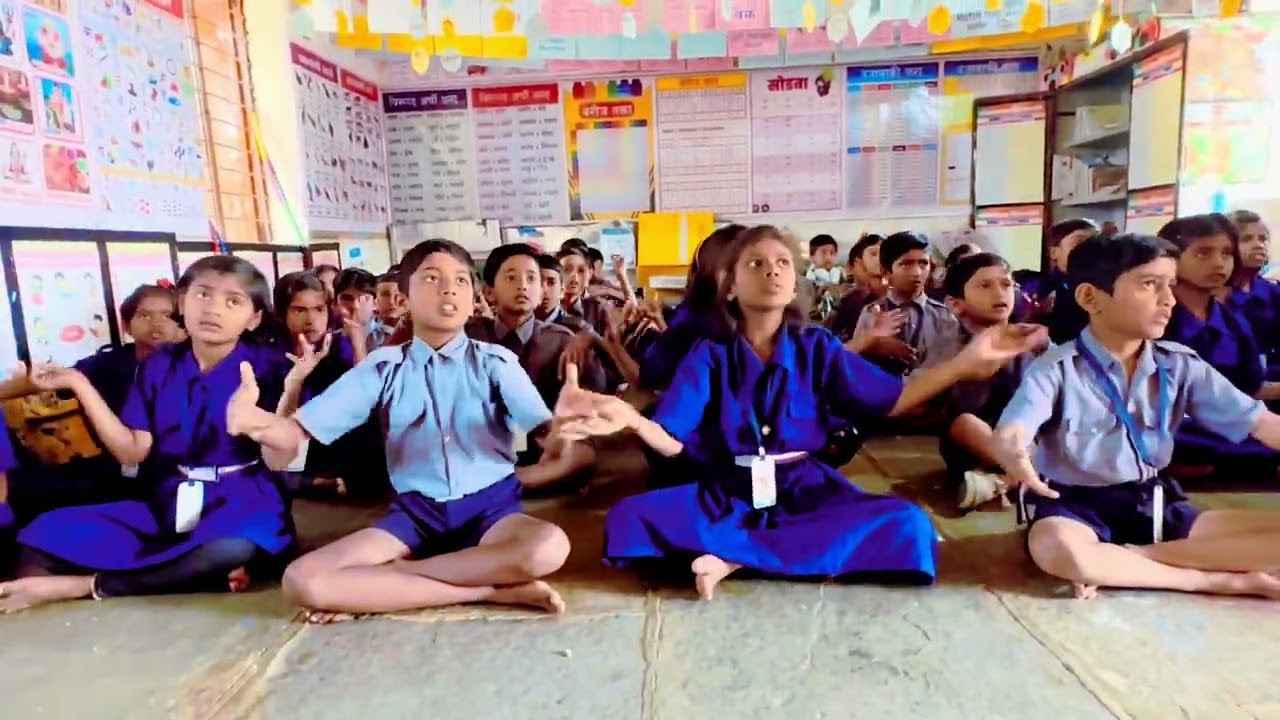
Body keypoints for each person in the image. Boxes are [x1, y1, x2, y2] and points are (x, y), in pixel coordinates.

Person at [556, 226, 1048, 600]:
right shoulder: (709, 352)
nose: (770, 270)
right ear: (729, 286)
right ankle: (759, 552)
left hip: (806, 487)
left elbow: (891, 399)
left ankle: (732, 555)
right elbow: (673, 439)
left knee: (909, 527)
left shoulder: (817, 346)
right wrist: (631, 420)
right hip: (727, 487)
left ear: (794, 284)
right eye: (754, 263)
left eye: (780, 263)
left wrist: (962, 364)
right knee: (627, 519)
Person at [228, 240, 571, 622]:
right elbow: (292, 439)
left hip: (491, 511)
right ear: (404, 297)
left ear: (474, 296)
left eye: (460, 280)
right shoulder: (382, 367)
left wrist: (570, 423)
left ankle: (393, 581)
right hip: (415, 517)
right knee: (302, 581)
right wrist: (255, 422)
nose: (449, 289)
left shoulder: (496, 362)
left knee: (548, 548)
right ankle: (487, 589)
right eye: (432, 278)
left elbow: (549, 438)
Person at [0, 256, 308, 613]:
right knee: (46, 532)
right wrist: (79, 385)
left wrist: (272, 410)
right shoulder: (159, 365)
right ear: (182, 301)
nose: (213, 310)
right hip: (169, 499)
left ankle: (88, 585)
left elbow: (280, 460)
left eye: (233, 301)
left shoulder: (272, 367)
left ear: (254, 317)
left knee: (228, 549)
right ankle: (189, 576)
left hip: (244, 502)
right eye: (202, 294)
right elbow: (133, 452)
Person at [991, 233, 1280, 602]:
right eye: (1150, 285)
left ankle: (1132, 559)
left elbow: (1263, 423)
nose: (1169, 300)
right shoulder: (1056, 368)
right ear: (1090, 298)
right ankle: (1216, 580)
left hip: (1155, 504)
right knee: (1062, 551)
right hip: (1073, 506)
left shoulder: (1180, 364)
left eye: (1171, 285)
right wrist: (1012, 450)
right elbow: (1015, 428)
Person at [1, 284, 179, 520]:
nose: (156, 323)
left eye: (167, 316)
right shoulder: (111, 362)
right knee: (17, 483)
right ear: (127, 326)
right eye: (144, 315)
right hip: (111, 466)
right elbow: (54, 380)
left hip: (162, 472)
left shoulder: (186, 367)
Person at [467, 244, 605, 492]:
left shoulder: (563, 340)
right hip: (483, 441)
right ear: (489, 292)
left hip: (542, 446)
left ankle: (501, 485)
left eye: (531, 278)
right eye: (511, 278)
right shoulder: (469, 338)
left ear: (541, 290)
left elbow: (590, 398)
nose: (522, 285)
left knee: (581, 453)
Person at [1154, 216, 1280, 476]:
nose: (1218, 263)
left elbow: (1250, 389)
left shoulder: (1235, 322)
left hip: (1228, 423)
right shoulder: (1150, 319)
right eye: (1203, 253)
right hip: (1172, 426)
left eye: (1226, 254)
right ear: (1170, 260)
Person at [938, 253, 1042, 510]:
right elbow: (958, 405)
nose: (1000, 292)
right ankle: (1031, 475)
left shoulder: (1032, 338)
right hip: (977, 443)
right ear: (955, 303)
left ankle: (1004, 481)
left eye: (1006, 284)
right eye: (985, 285)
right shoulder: (953, 346)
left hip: (1027, 438)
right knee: (964, 423)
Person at [274, 271, 387, 497]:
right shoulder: (269, 356)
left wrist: (357, 343)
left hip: (340, 453)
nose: (311, 320)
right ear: (281, 313)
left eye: (319, 309)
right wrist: (297, 378)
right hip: (288, 454)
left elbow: (365, 404)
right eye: (299, 310)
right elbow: (277, 428)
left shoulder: (338, 347)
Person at [853, 231, 960, 377]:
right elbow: (855, 366)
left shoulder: (944, 316)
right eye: (906, 264)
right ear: (886, 272)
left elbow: (948, 368)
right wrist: (873, 345)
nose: (917, 272)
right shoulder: (871, 313)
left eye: (923, 263)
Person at [1224, 210, 1280, 379]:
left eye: (1262, 239)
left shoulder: (1271, 290)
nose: (1258, 245)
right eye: (1247, 239)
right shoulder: (1218, 294)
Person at [1038, 219, 1097, 343]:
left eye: (1094, 243)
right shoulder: (1045, 289)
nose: (1089, 249)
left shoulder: (1104, 285)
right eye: (1078, 243)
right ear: (1054, 252)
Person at [827, 233, 886, 342]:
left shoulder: (894, 296)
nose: (879, 260)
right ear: (854, 265)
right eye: (874, 254)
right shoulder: (850, 299)